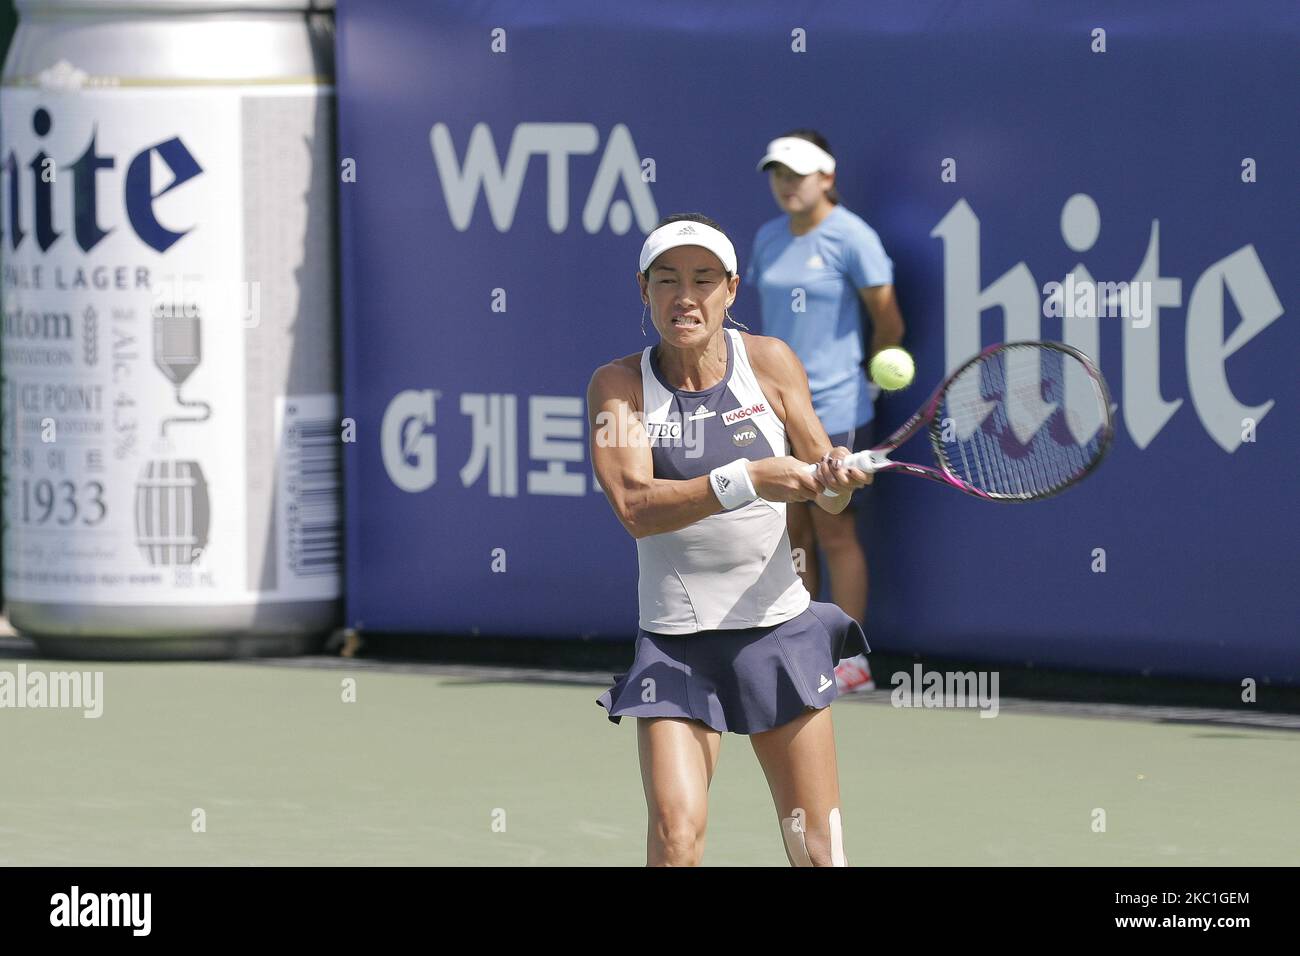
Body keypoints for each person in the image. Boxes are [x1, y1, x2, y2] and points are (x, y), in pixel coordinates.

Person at [588, 212, 872, 867]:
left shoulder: (770, 363)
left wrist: (836, 478)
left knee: (818, 851)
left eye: (703, 279)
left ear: (731, 290)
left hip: (776, 630)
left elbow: (825, 490)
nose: (685, 296)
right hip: (676, 646)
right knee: (676, 839)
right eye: (667, 280)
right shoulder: (619, 386)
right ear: (644, 290)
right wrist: (746, 478)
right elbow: (635, 506)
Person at [747, 130, 907, 693]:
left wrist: (866, 374)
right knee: (792, 532)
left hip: (837, 408)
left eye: (798, 174)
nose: (787, 185)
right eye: (778, 174)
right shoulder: (768, 237)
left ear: (827, 177)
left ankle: (851, 661)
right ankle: (800, 647)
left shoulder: (852, 238)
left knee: (835, 531)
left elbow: (889, 323)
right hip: (772, 411)